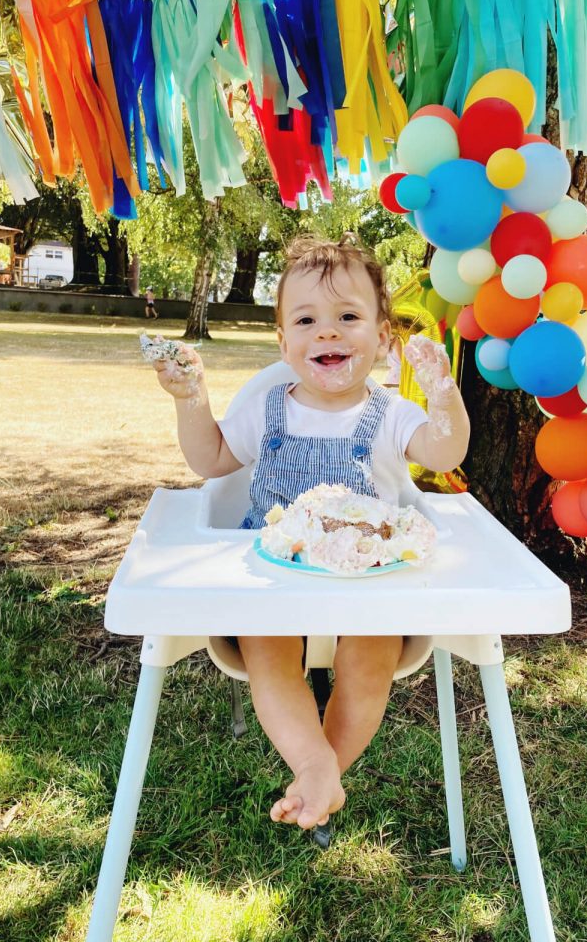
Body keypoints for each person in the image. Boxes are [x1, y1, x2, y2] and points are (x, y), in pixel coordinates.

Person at [150, 234, 470, 832]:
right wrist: (191, 401)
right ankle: (314, 763)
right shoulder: (269, 406)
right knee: (268, 654)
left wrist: (443, 394)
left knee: (371, 657)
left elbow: (445, 448)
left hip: (369, 580)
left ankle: (322, 774)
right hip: (272, 576)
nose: (327, 332)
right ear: (284, 341)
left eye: (348, 317)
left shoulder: (393, 414)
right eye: (306, 320)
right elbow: (213, 461)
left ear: (382, 339)